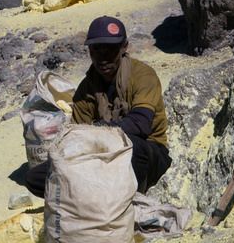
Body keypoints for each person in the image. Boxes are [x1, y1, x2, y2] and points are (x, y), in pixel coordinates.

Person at [25, 15, 172, 197]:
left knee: (133, 150)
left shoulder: (143, 76)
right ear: (89, 51)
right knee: (37, 177)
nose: (103, 58)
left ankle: (131, 201)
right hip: (102, 153)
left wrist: (98, 131)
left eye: (110, 50)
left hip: (146, 151)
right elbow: (77, 132)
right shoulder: (86, 88)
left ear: (123, 47)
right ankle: (94, 198)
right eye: (96, 50)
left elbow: (140, 124)